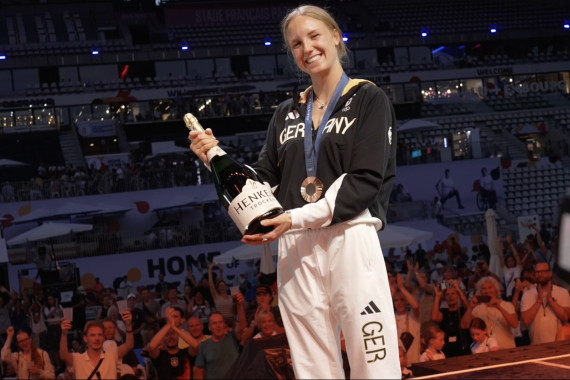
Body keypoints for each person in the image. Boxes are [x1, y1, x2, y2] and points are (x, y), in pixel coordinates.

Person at [189, 5, 400, 379]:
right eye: (297, 43)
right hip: (295, 245)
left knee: (373, 358)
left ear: (336, 36)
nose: (307, 48)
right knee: (311, 365)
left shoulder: (368, 99)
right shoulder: (286, 112)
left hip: (349, 237)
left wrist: (292, 217)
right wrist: (214, 157)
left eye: (314, 36)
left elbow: (365, 180)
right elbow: (263, 181)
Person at [59, 311, 134, 380]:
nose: (97, 338)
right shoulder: (78, 359)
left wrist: (129, 325)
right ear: (85, 338)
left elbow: (129, 345)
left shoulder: (111, 356)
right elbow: (64, 355)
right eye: (92, 335)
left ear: (103, 338)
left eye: (100, 335)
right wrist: (64, 334)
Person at [193, 292, 246, 380]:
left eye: (220, 322)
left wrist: (240, 306)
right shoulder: (204, 346)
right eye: (214, 323)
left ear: (224, 324)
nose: (218, 325)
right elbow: (199, 372)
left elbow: (242, 325)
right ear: (209, 327)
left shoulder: (232, 337)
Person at [461, 276, 518, 349]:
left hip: (506, 347)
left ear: (496, 289)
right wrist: (470, 307)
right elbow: (464, 325)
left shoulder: (507, 305)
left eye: (490, 287)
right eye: (484, 288)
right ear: (480, 292)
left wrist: (498, 306)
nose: (487, 291)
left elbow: (515, 324)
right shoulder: (478, 308)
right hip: (486, 350)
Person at [520, 262, 570, 344]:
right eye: (537, 272)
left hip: (559, 342)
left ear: (550, 273)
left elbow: (565, 317)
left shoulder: (562, 292)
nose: (540, 274)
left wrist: (551, 300)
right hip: (536, 344)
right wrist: (539, 301)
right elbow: (526, 320)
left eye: (543, 271)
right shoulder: (527, 294)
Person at [147, 307, 200, 380]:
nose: (170, 337)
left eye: (173, 333)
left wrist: (175, 327)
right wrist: (169, 324)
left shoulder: (186, 353)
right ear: (162, 338)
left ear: (178, 335)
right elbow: (151, 346)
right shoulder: (159, 355)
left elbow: (196, 345)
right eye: (167, 335)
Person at [431, 280, 471, 357]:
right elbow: (434, 317)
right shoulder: (444, 312)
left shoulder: (463, 311)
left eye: (453, 293)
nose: (450, 297)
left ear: (458, 296)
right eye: (447, 295)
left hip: (463, 350)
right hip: (447, 350)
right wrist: (438, 296)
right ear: (445, 298)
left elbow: (470, 309)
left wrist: (459, 291)